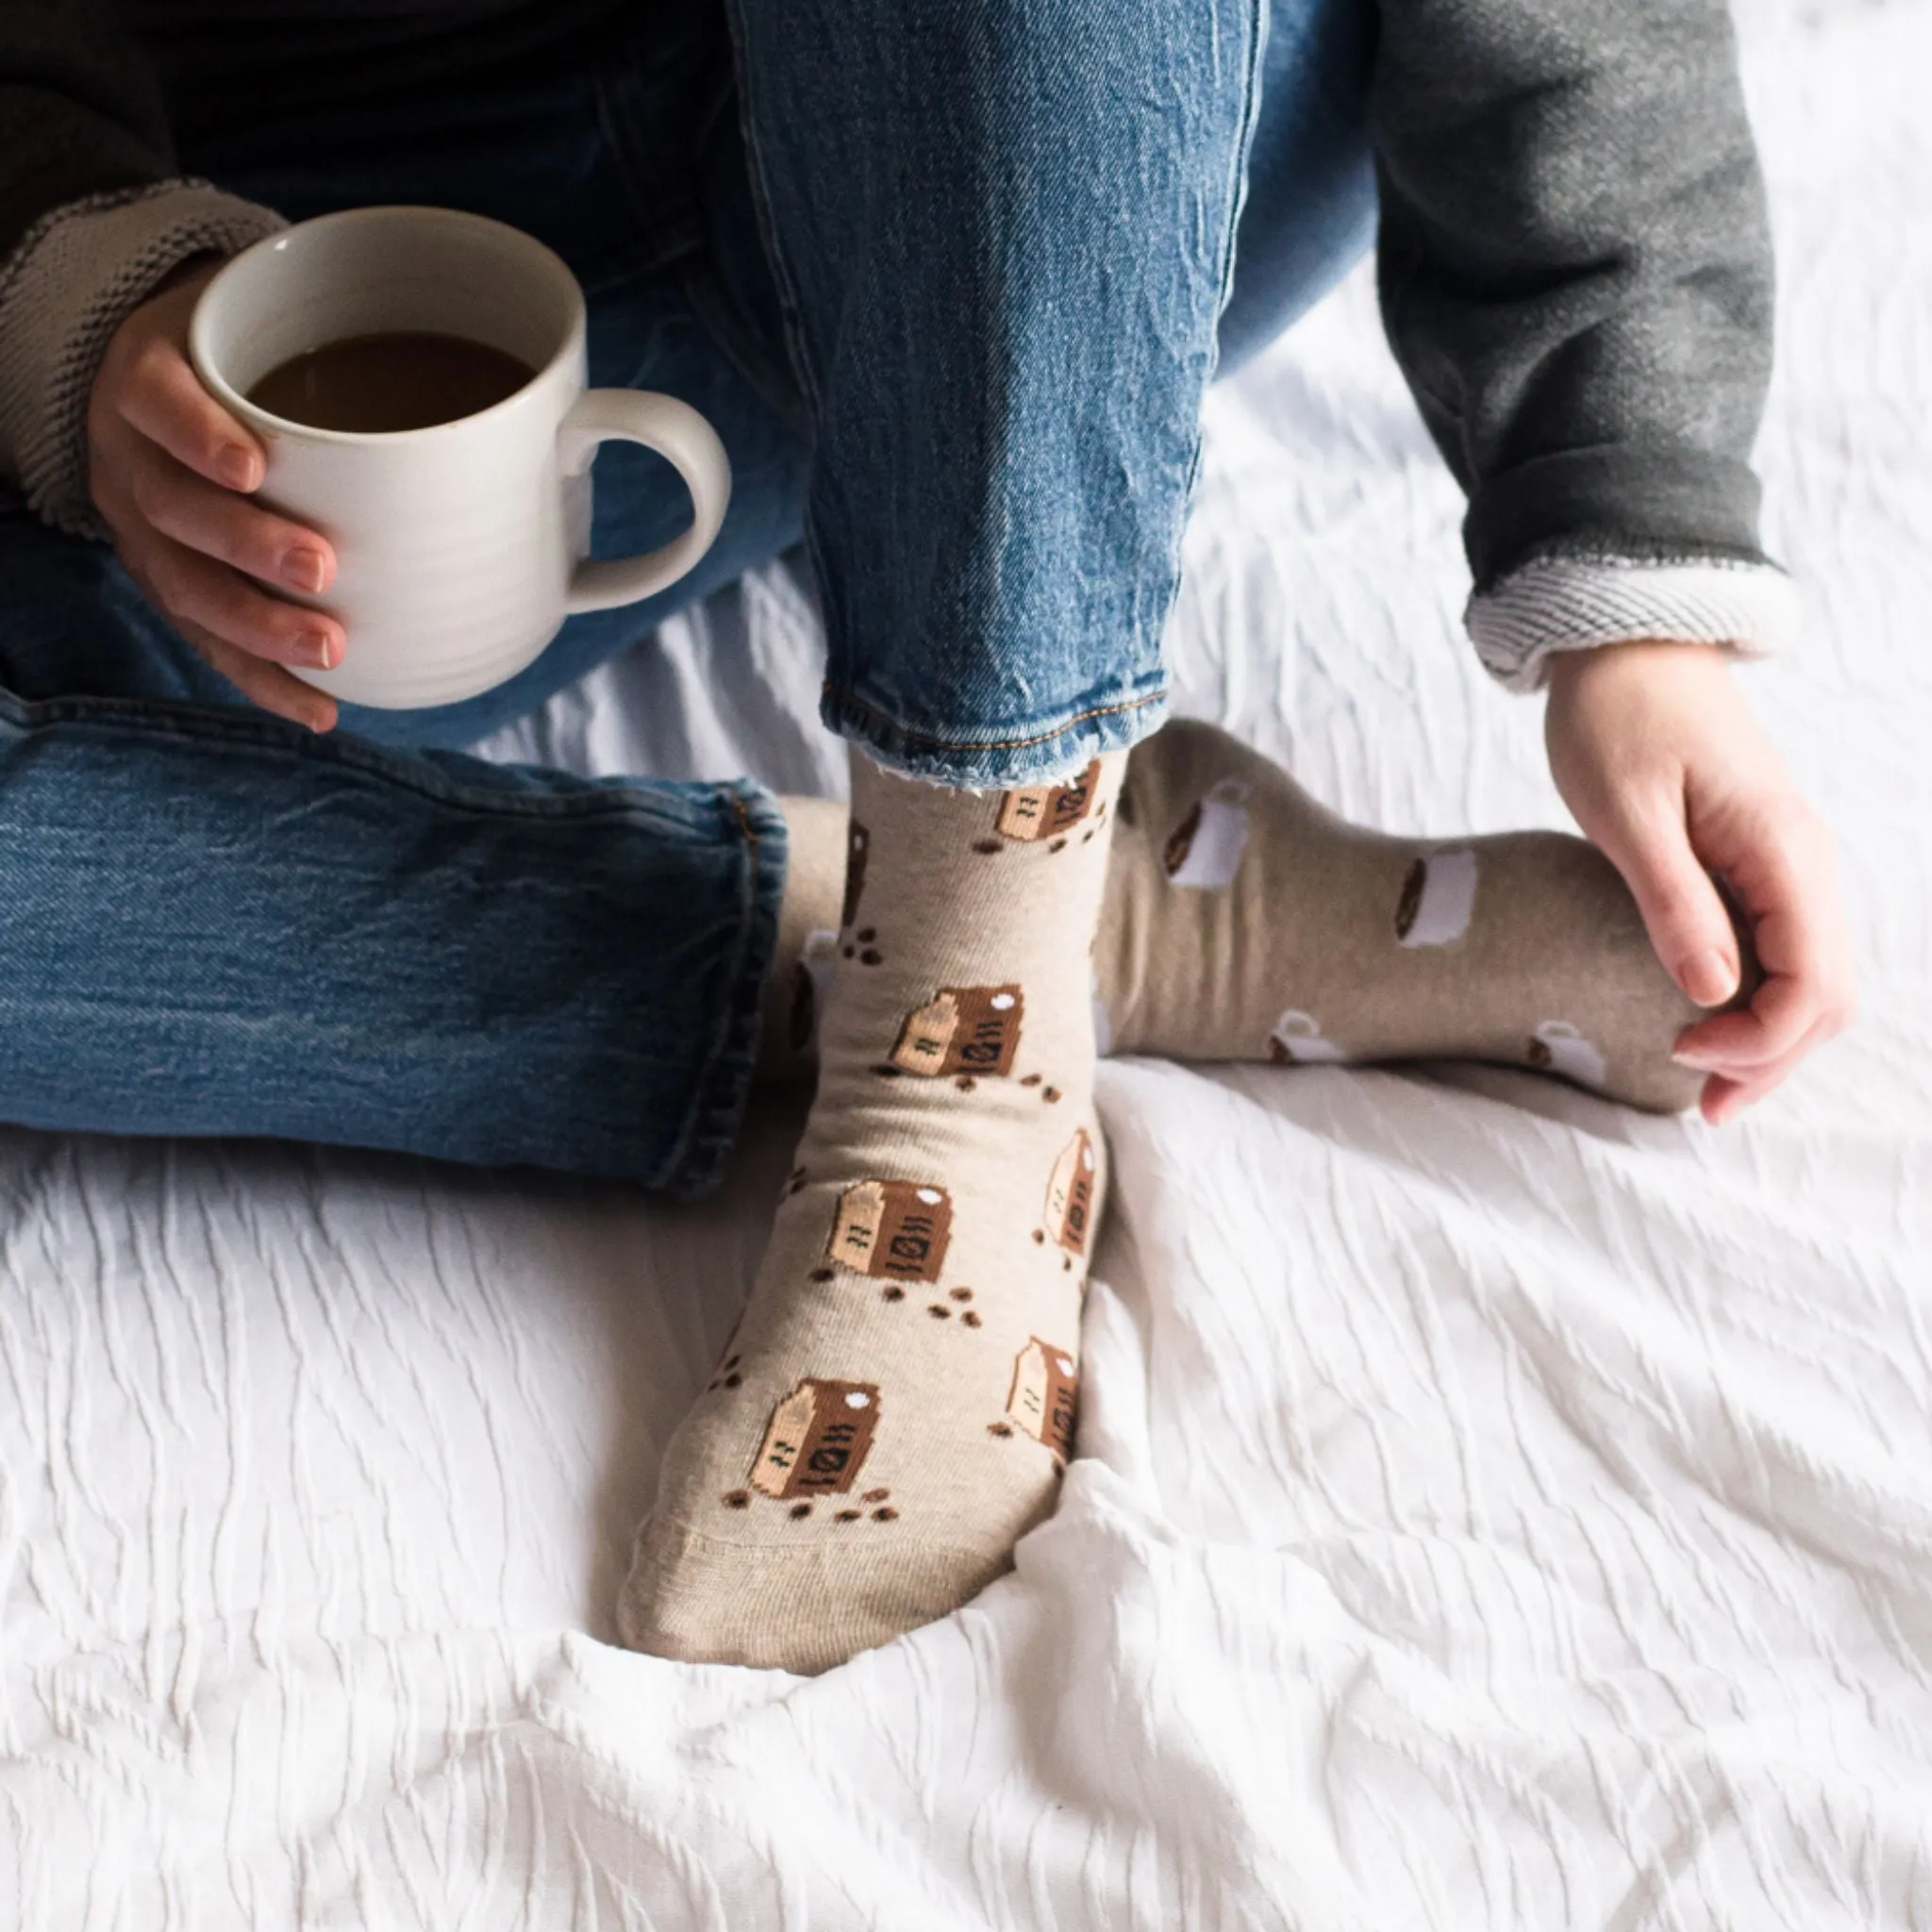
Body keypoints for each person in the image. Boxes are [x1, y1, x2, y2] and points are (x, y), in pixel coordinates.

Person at [0, 0, 1854, 1671]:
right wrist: (80, 291)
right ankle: (1076, 927)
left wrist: (1631, 589)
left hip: (1099, 125)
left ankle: (968, 956)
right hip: (357, 312)